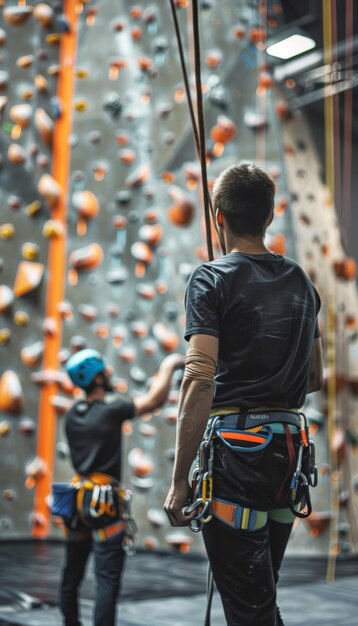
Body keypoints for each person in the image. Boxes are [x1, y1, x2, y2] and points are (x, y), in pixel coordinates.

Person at [164, 162, 323, 626]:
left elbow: (198, 377)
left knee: (249, 606)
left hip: (237, 453)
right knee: (259, 595)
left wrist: (178, 481)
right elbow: (313, 378)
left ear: (218, 217)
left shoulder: (211, 279)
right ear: (270, 216)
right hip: (288, 455)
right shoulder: (302, 283)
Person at [60, 348, 184, 626]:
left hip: (76, 500)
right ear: (99, 378)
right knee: (107, 580)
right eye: (105, 371)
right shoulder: (110, 411)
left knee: (71, 574)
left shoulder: (72, 415)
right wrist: (170, 364)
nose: (110, 373)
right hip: (102, 502)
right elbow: (154, 401)